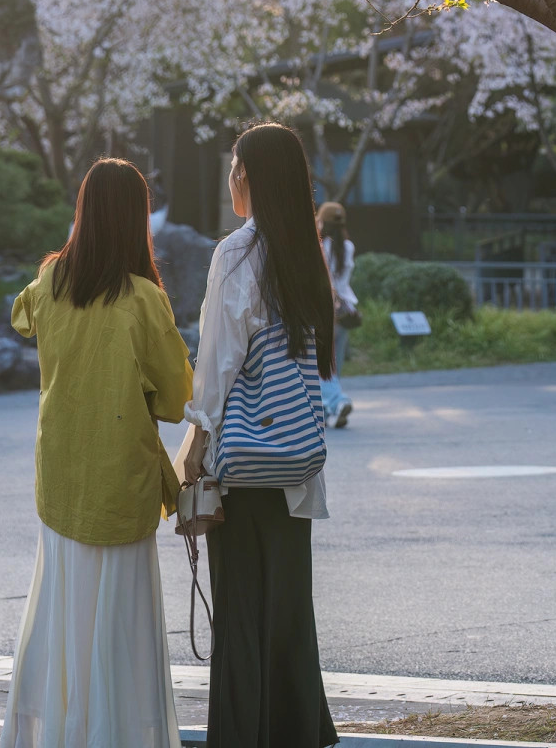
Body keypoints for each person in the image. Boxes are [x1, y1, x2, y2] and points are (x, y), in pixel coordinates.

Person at [0, 158, 194, 748]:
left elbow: (21, 316)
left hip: (60, 476)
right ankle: (116, 733)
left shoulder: (50, 284)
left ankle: (60, 730)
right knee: (120, 622)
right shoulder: (142, 300)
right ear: (137, 221)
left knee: (61, 610)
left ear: (82, 212)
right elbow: (176, 400)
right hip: (121, 480)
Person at [177, 123, 338, 748]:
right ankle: (299, 732)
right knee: (288, 612)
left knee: (240, 610)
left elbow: (217, 363)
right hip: (294, 460)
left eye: (235, 167)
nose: (229, 179)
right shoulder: (304, 252)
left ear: (250, 177)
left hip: (242, 463)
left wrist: (192, 452)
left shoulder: (237, 253)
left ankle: (243, 736)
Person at [316, 200, 357, 430]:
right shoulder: (348, 246)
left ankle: (337, 401)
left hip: (326, 310)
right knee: (335, 365)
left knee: (322, 365)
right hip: (346, 310)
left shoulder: (319, 247)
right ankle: (323, 410)